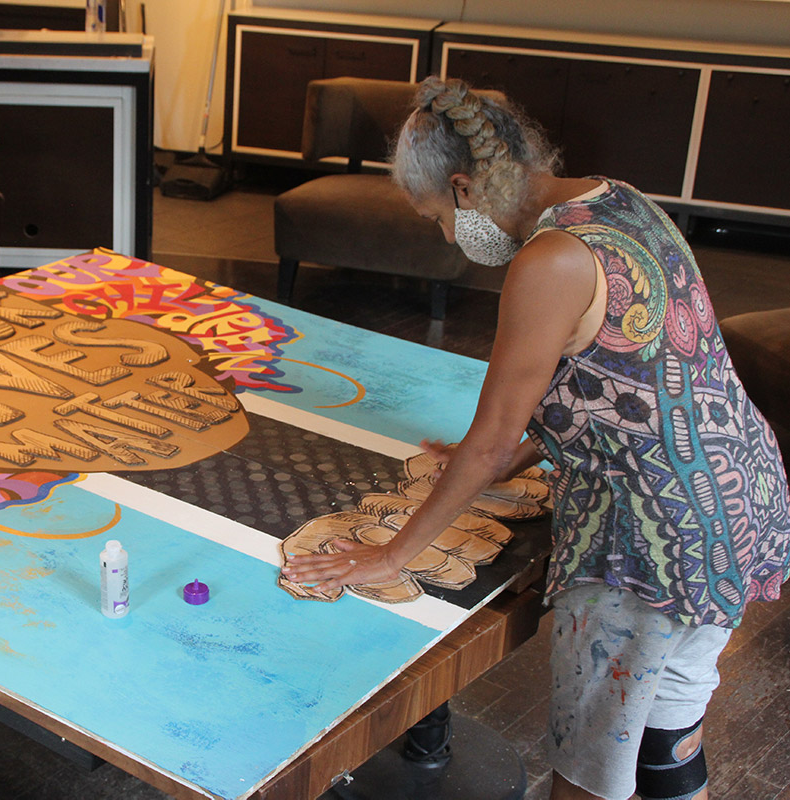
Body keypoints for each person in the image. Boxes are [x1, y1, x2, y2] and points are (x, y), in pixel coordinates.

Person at [282, 75, 790, 800]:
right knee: (666, 734)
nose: (446, 236)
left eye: (436, 218)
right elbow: (631, 375)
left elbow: (487, 438)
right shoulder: (617, 198)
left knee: (590, 768)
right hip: (737, 502)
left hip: (649, 545)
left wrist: (390, 553)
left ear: (463, 189)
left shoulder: (549, 259)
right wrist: (523, 452)